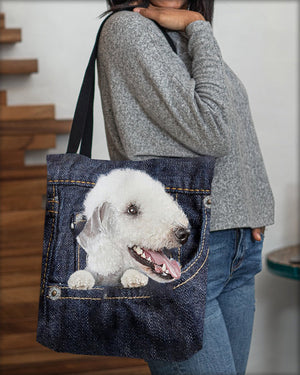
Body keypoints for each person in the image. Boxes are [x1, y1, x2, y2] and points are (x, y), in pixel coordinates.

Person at [97, 1, 275, 374]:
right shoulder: (129, 30)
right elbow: (213, 130)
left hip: (235, 250)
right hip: (182, 255)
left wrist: (249, 209)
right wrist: (199, 26)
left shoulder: (176, 31)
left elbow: (234, 123)